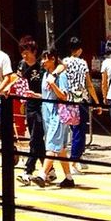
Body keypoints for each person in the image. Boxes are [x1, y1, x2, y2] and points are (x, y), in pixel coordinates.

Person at [30, 49, 73, 188]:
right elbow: (46, 95)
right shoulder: (47, 75)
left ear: (53, 59)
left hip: (58, 114)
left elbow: (64, 96)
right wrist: (35, 95)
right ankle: (69, 178)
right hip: (47, 113)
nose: (42, 61)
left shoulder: (61, 76)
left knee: (51, 145)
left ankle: (42, 175)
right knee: (59, 148)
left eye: (45, 59)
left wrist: (53, 84)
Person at [62, 36, 101, 171]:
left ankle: (77, 157)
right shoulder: (83, 63)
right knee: (80, 130)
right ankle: (74, 159)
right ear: (79, 50)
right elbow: (89, 85)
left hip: (69, 99)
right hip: (81, 99)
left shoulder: (64, 62)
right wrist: (97, 101)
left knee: (74, 129)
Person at [14, 37, 46, 185]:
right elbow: (19, 83)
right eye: (22, 53)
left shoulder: (42, 67)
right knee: (37, 139)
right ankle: (48, 170)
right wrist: (22, 101)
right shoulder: (22, 65)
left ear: (34, 52)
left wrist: (38, 96)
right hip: (30, 106)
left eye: (27, 52)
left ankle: (28, 170)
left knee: (35, 139)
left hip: (42, 106)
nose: (24, 56)